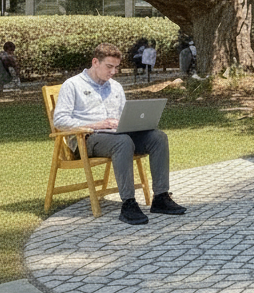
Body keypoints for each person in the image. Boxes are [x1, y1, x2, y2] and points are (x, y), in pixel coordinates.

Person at [53, 43, 185, 226]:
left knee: (157, 137)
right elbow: (59, 120)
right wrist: (96, 124)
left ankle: (161, 197)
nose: (113, 72)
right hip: (87, 139)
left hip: (118, 135)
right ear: (95, 62)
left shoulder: (115, 87)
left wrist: (134, 123)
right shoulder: (73, 85)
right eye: (109, 67)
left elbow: (124, 115)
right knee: (123, 142)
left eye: (116, 67)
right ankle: (129, 203)